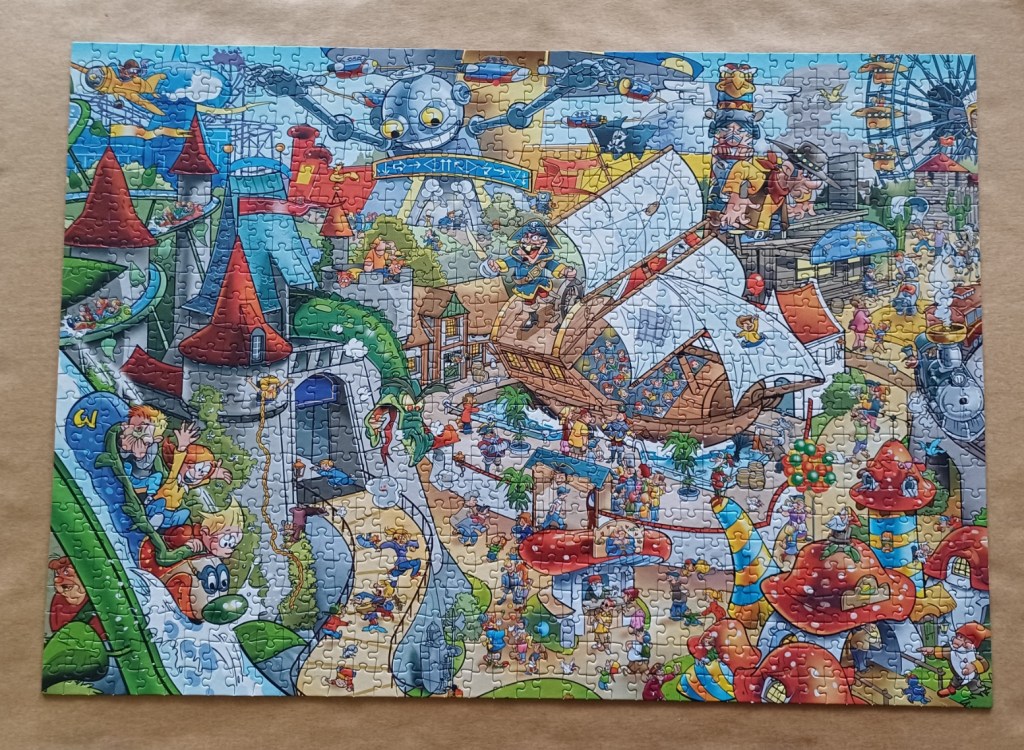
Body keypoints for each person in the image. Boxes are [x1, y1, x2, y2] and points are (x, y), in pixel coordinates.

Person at [485, 220, 577, 330]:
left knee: (546, 295)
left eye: (534, 237)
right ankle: (532, 318)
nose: (529, 241)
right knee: (529, 303)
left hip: (541, 282)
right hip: (526, 286)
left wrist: (565, 271)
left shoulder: (544, 257)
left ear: (543, 241)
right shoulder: (518, 256)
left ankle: (555, 309)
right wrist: (497, 265)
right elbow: (507, 262)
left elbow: (553, 265)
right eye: (526, 237)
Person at [150, 423, 232, 530]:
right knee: (161, 502)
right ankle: (154, 520)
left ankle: (164, 527)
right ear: (186, 465)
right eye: (199, 469)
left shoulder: (186, 486)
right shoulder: (173, 478)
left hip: (169, 514)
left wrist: (214, 474)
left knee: (185, 512)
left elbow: (200, 482)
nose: (200, 475)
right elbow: (177, 464)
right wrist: (181, 447)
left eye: (204, 472)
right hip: (156, 507)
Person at [920, 622, 990, 698]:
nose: (958, 639)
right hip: (957, 675)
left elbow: (984, 664)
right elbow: (943, 652)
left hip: (972, 677)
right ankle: (951, 689)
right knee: (955, 682)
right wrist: (932, 650)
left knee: (975, 686)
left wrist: (974, 666)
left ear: (971, 644)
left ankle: (978, 693)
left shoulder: (973, 655)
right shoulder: (953, 652)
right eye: (958, 636)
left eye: (963, 638)